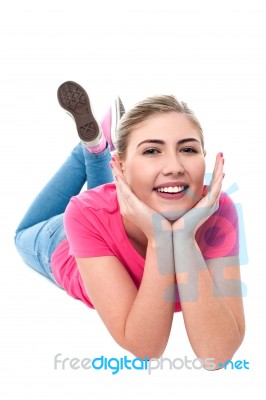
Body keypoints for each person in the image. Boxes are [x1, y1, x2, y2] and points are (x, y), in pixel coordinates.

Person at [14, 81, 245, 370]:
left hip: (116, 205)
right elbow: (147, 348)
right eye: (151, 151)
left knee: (106, 197)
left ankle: (97, 148)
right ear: (122, 167)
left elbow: (218, 355)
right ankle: (94, 151)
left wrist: (184, 237)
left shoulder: (217, 209)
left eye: (187, 149)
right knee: (21, 234)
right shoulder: (84, 214)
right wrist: (161, 238)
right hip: (60, 243)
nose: (174, 166)